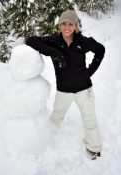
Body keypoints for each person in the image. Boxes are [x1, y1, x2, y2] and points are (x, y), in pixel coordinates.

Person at [26, 10, 105, 160]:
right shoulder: (54, 41)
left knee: (90, 120)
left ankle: (94, 148)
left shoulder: (83, 42)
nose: (66, 27)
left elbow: (101, 50)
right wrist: (53, 53)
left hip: (84, 89)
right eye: (63, 23)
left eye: (70, 24)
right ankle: (48, 142)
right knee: (56, 117)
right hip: (63, 91)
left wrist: (90, 71)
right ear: (59, 26)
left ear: (75, 26)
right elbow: (31, 40)